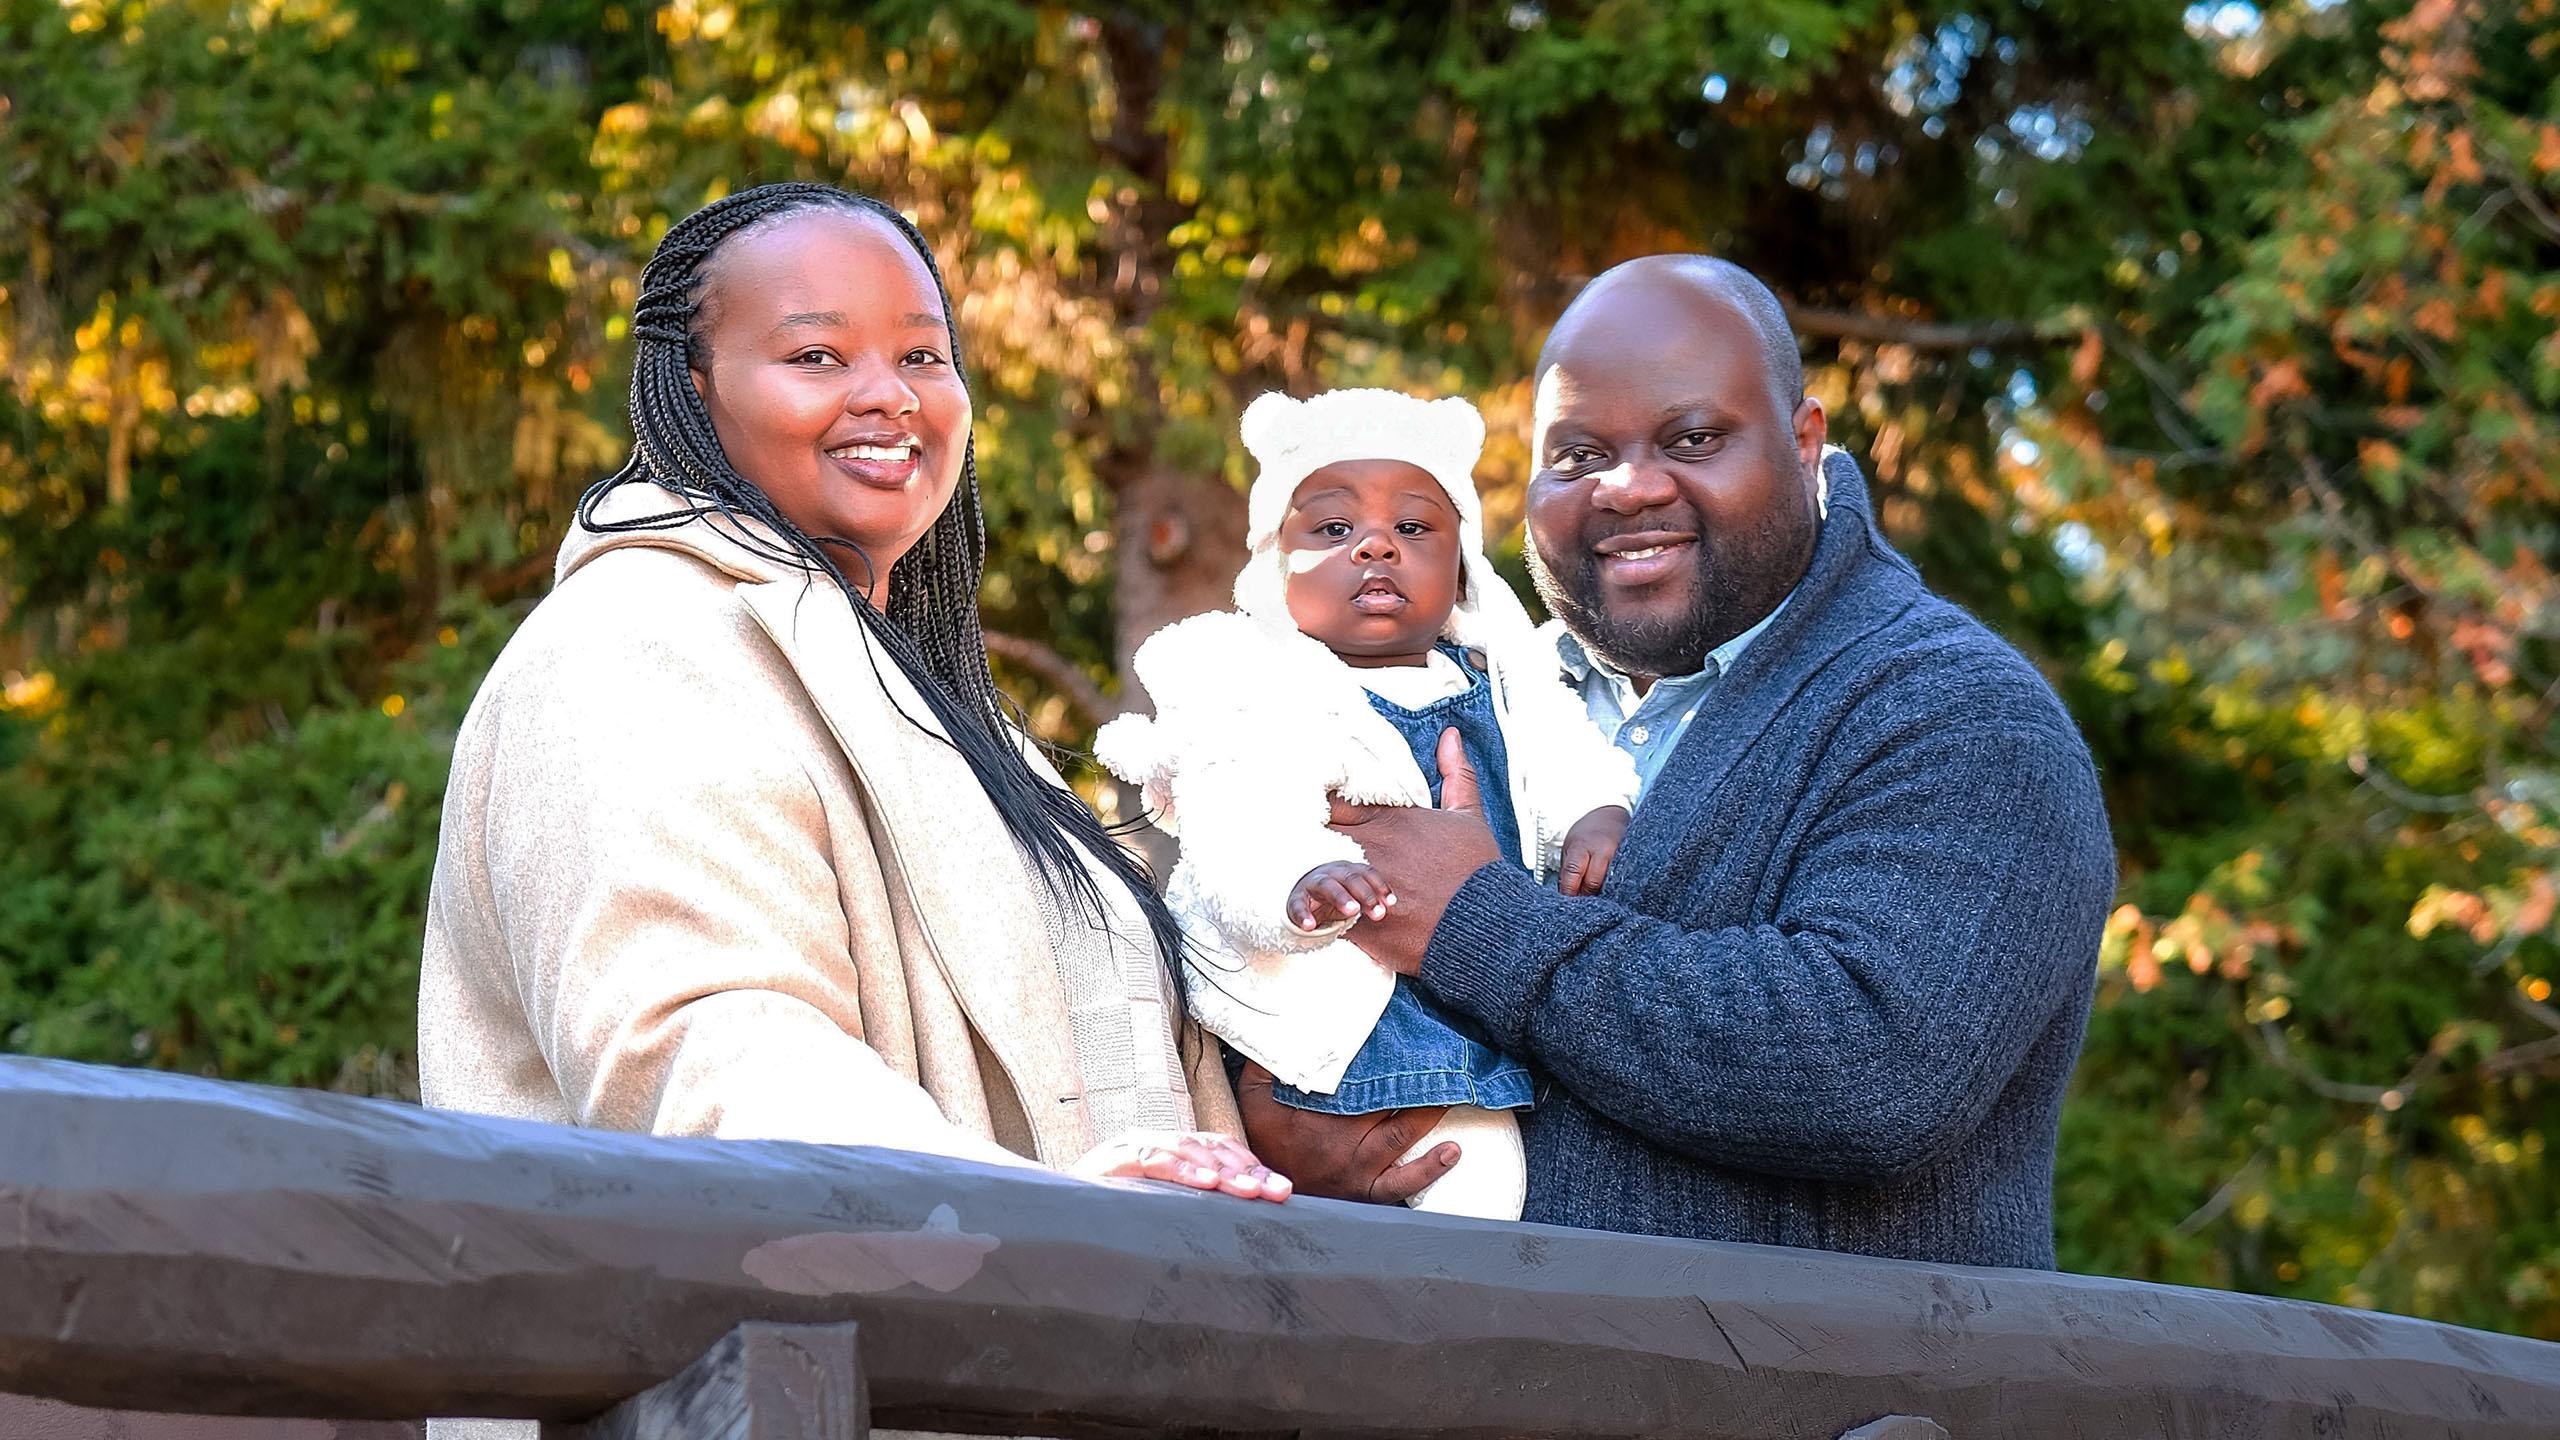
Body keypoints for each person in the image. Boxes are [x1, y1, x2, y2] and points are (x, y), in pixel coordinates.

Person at [420, 184, 1289, 1221]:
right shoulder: (630, 645)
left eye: (922, 356)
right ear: (695, 390)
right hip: (785, 1369)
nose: (890, 395)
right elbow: (704, 1049)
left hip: (1054, 1342)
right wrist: (1042, 1217)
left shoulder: (954, 721)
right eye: (815, 357)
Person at [1235, 254, 2115, 1269]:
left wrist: (1479, 925)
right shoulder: (1452, 701)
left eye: (1692, 439)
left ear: (1803, 441)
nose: (1627, 487)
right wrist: (1280, 1120)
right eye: (1575, 455)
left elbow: (1872, 1071)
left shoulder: (1957, 714)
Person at [1096, 388, 1637, 1219]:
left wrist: (1597, 810)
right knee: (1424, 1207)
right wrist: (1297, 882)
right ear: (1274, 567)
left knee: (1497, 1201)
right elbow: (1236, 823)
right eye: (1333, 529)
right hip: (1334, 1033)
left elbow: (1564, 761)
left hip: (1481, 1015)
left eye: (1415, 528)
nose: (1377, 546)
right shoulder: (1261, 690)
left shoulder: (1506, 682)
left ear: (1462, 567)